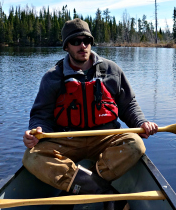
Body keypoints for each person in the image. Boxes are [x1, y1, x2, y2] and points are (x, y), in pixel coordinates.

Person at [22, 18, 158, 210]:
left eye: (86, 40)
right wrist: (36, 131)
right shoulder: (52, 76)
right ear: (66, 46)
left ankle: (79, 184)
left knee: (135, 144)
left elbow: (129, 105)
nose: (82, 46)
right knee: (31, 156)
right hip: (67, 138)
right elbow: (41, 115)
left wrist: (141, 122)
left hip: (105, 138)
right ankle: (102, 191)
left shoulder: (112, 70)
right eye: (75, 41)